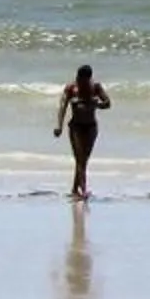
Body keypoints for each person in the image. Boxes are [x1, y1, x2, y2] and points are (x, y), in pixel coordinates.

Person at [52, 63, 112, 200]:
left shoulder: (95, 87)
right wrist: (59, 126)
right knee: (80, 158)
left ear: (89, 79)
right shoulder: (71, 88)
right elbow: (63, 107)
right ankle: (83, 190)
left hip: (91, 127)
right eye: (79, 79)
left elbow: (108, 103)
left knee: (84, 159)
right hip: (76, 127)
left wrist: (97, 104)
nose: (80, 82)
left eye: (83, 80)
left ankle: (75, 189)